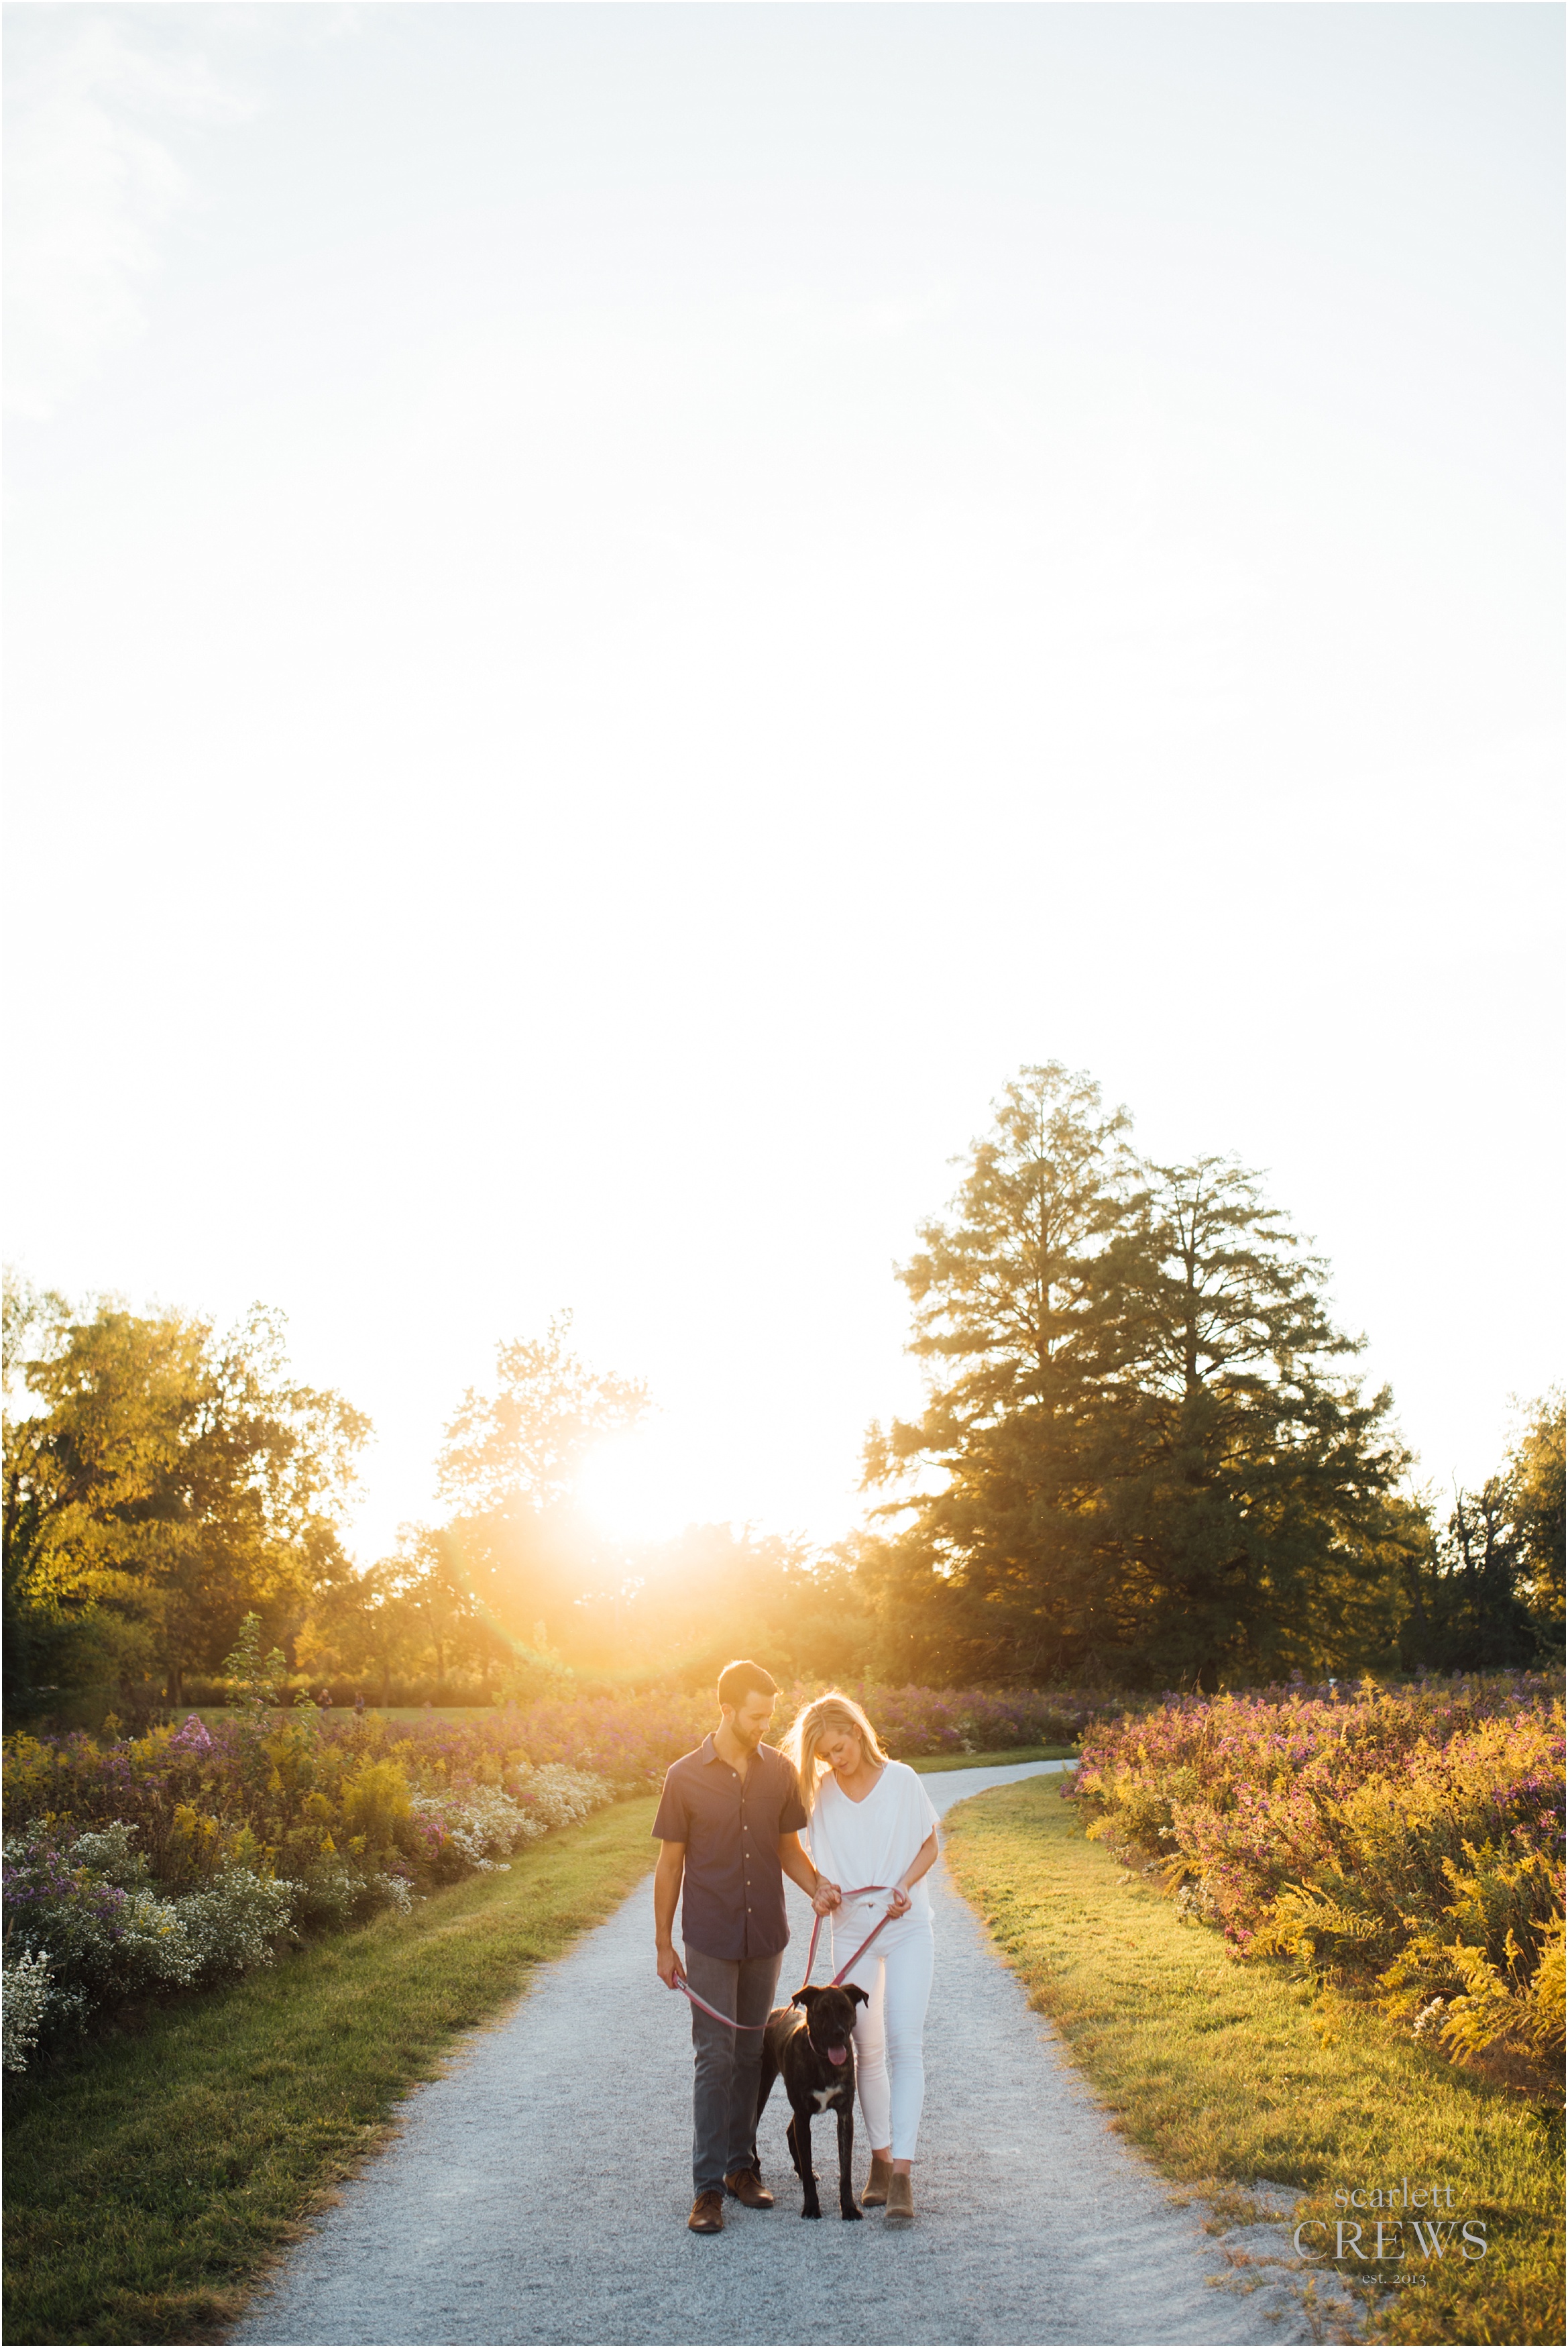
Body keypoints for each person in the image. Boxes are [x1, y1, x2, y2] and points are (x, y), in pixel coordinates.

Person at [652, 1658, 841, 2235]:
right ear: (727, 1709)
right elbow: (670, 1864)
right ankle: (707, 2189)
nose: (765, 1725)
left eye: (770, 1715)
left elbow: (788, 1849)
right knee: (714, 2058)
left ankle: (741, 2168)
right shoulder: (684, 1776)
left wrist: (818, 1887)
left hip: (766, 1937)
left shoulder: (779, 1772)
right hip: (709, 1937)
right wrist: (663, 1943)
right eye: (756, 1715)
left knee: (749, 2055)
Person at [782, 1691, 940, 2228]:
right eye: (825, 1755)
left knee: (904, 2043)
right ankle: (876, 2160)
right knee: (860, 2049)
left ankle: (901, 2176)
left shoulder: (902, 1780)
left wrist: (904, 1885)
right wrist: (820, 1888)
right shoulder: (821, 1794)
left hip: (905, 1924)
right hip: (850, 1929)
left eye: (840, 1747)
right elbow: (792, 1846)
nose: (835, 1760)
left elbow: (930, 1847)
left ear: (857, 1730)